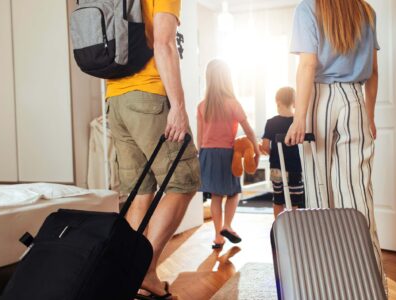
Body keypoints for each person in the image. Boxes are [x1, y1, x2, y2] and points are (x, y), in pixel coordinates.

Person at [285, 0, 387, 290]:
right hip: (355, 100)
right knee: (358, 198)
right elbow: (374, 71)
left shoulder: (308, 8)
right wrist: (369, 114)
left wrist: (300, 117)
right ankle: (372, 289)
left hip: (319, 101)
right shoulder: (367, 10)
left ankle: (327, 287)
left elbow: (308, 64)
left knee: (320, 199)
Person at [106, 1, 200, 298]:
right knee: (184, 180)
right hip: (149, 95)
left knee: (139, 192)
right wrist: (179, 107)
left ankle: (133, 280)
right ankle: (142, 270)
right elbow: (164, 43)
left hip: (116, 99)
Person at [197, 59, 260, 250]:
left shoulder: (202, 106)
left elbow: (199, 139)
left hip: (207, 154)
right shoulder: (233, 104)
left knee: (216, 196)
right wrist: (256, 148)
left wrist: (202, 160)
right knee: (233, 193)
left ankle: (218, 238)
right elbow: (248, 130)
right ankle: (227, 225)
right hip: (227, 154)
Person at [260, 87, 305, 218]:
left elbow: (265, 146)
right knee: (295, 200)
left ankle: (279, 227)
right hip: (295, 167)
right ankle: (295, 226)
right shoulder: (297, 122)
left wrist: (270, 152)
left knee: (278, 199)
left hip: (277, 166)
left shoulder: (271, 123)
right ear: (295, 102)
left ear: (277, 102)